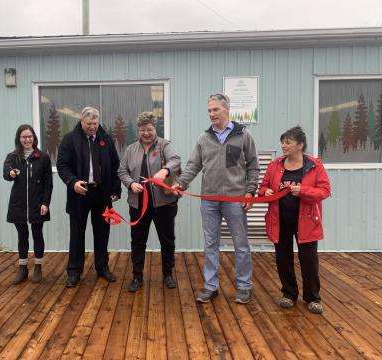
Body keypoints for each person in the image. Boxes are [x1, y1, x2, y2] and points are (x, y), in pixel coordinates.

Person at [173, 93, 260, 304]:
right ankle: (211, 286)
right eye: (209, 111)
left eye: (215, 110)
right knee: (211, 244)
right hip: (209, 200)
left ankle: (244, 286)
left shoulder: (243, 135)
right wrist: (181, 183)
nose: (212, 114)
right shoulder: (204, 138)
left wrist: (249, 192)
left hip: (234, 200)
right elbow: (194, 165)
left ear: (226, 109)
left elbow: (253, 166)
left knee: (241, 244)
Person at [258, 126, 330, 314]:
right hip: (279, 220)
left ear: (300, 145)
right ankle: (289, 294)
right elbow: (264, 186)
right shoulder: (275, 165)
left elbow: (324, 191)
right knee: (283, 258)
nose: (283, 145)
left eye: (288, 142)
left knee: (309, 260)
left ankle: (313, 298)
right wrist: (265, 191)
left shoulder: (314, 165)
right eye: (282, 141)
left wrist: (303, 191)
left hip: (306, 222)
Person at [57, 106, 121, 287]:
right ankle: (74, 271)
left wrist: (115, 189)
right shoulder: (70, 140)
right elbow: (62, 165)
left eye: (95, 123)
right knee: (77, 233)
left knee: (102, 233)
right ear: (81, 122)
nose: (93, 127)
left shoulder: (106, 139)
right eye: (89, 124)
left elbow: (115, 165)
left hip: (101, 193)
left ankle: (102, 267)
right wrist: (72, 182)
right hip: (80, 193)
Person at [118, 112, 181, 292]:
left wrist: (165, 171)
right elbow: (122, 171)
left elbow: (175, 160)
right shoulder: (130, 149)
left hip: (164, 203)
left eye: (150, 129)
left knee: (167, 239)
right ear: (138, 130)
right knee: (138, 240)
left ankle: (167, 274)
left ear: (155, 129)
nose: (146, 133)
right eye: (143, 130)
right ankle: (137, 276)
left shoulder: (164, 145)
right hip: (138, 203)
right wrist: (131, 184)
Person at [3, 124, 53, 284]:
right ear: (19, 139)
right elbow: (6, 174)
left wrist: (46, 202)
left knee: (37, 234)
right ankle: (22, 267)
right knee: (22, 236)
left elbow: (48, 183)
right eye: (24, 137)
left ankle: (38, 266)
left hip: (37, 203)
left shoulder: (42, 157)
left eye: (30, 136)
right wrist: (10, 173)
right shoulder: (13, 157)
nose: (27, 139)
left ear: (34, 138)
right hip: (18, 204)